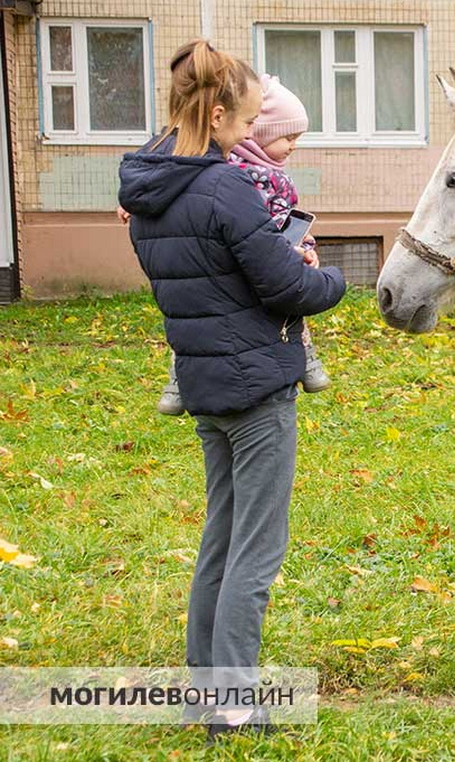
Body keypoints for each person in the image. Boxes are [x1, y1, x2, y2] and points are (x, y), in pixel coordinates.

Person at [118, 39, 345, 739]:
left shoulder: (148, 187)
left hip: (204, 383)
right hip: (256, 390)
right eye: (246, 122)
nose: (251, 135)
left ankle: (204, 693)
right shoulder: (224, 188)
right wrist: (326, 274)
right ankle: (237, 709)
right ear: (216, 114)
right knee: (255, 552)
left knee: (219, 545)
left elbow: (213, 281)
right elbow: (286, 287)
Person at [153, 73, 331, 416]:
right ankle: (178, 378)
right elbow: (253, 224)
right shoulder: (234, 173)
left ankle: (306, 359)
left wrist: (298, 238)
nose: (293, 145)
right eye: (287, 137)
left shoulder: (264, 171)